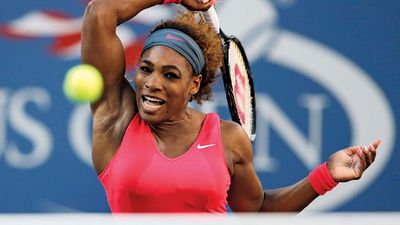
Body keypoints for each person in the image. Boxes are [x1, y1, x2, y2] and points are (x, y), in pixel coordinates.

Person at [81, 0, 381, 213]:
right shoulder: (116, 120)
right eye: (146, 69)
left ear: (194, 85)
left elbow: (256, 211)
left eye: (170, 75)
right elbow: (100, 12)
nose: (151, 82)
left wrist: (325, 176)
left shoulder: (227, 138)